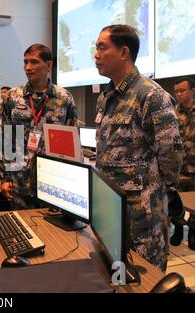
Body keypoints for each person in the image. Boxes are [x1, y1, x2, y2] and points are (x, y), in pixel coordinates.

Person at [93, 24, 184, 271]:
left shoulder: (151, 95)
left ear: (124, 52)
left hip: (143, 215)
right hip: (112, 210)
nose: (96, 54)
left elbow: (171, 152)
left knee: (147, 280)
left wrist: (158, 192)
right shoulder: (106, 97)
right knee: (118, 278)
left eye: (102, 47)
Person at [0, 44, 77, 210]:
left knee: (52, 233)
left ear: (48, 65)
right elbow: (4, 140)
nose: (28, 67)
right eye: (25, 62)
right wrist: (4, 178)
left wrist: (71, 184)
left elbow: (72, 146)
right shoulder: (13, 97)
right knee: (21, 229)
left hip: (52, 182)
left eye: (34, 62)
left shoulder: (64, 98)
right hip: (19, 181)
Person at [170, 77, 195, 249]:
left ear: (192, 91)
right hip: (178, 169)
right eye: (176, 91)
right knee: (176, 202)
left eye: (182, 90)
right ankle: (178, 229)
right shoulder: (172, 113)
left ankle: (193, 232)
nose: (178, 94)